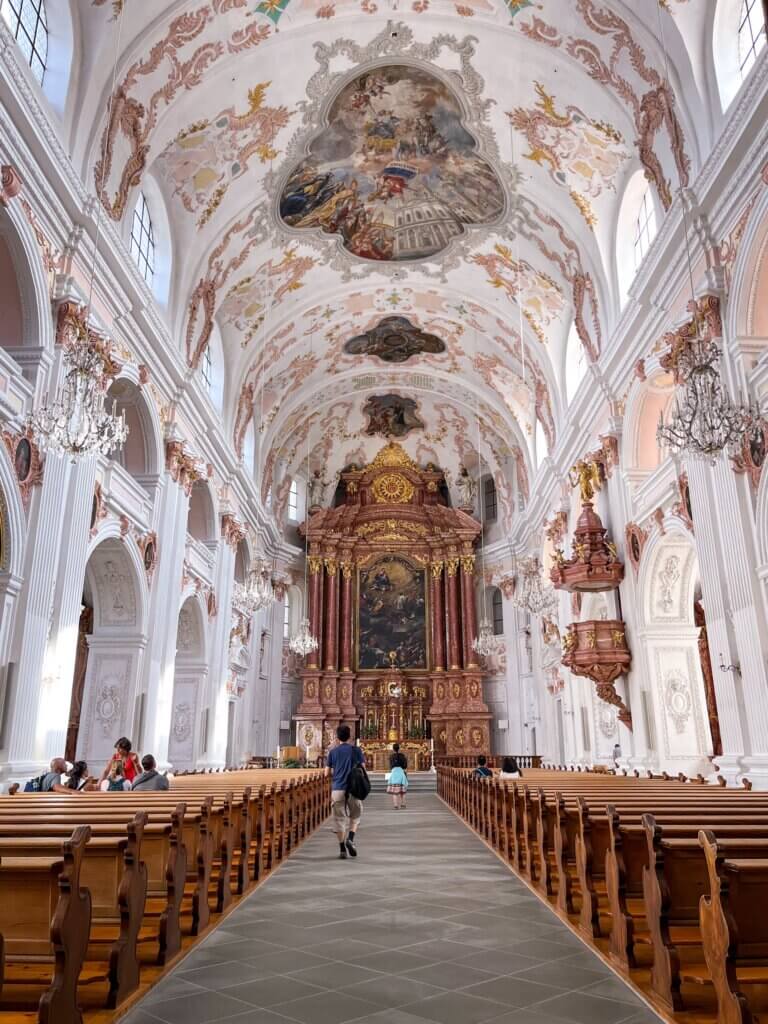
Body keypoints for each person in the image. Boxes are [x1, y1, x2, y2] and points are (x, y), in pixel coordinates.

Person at [326, 724, 364, 859]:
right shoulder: (356, 750)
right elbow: (362, 768)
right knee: (355, 816)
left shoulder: (333, 752)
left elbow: (327, 773)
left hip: (338, 788)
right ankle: (351, 839)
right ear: (350, 736)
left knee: (339, 819)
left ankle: (342, 849)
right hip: (354, 789)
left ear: (337, 737)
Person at [387, 742, 409, 809]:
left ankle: (395, 805)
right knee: (403, 791)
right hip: (401, 772)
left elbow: (390, 766)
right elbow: (405, 765)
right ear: (399, 748)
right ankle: (403, 804)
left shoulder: (391, 756)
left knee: (395, 792)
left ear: (393, 749)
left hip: (394, 772)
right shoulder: (402, 756)